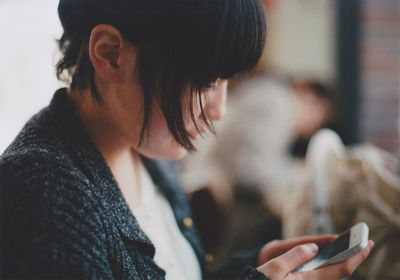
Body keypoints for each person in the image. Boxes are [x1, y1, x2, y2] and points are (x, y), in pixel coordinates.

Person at [0, 0, 373, 279]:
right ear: (111, 54)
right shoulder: (43, 193)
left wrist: (254, 265)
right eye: (206, 82)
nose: (219, 109)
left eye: (227, 81)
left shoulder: (148, 149)